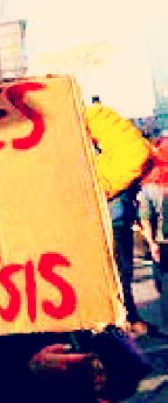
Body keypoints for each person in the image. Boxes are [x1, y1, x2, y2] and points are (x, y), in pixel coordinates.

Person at [87, 102, 154, 337]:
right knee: (119, 273)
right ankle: (123, 321)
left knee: (114, 274)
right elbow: (135, 152)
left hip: (98, 216)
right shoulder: (91, 119)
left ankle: (122, 320)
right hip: (110, 217)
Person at [138, 135, 168, 327]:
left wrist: (151, 244)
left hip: (162, 242)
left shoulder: (149, 187)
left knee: (164, 284)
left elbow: (145, 218)